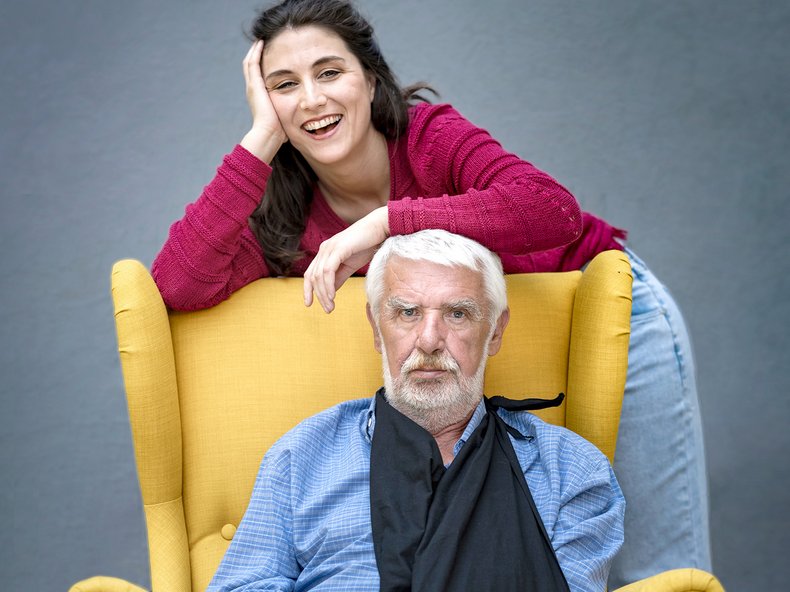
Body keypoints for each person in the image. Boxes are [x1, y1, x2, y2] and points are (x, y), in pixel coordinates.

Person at [151, 0, 711, 585]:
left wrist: (386, 223)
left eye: (329, 72)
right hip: (459, 350)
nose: (311, 99)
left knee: (657, 562)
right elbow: (177, 283)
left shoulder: (427, 138)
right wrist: (262, 138)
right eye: (284, 85)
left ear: (371, 79)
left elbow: (552, 210)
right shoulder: (286, 217)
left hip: (606, 302)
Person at [207, 229, 625, 592]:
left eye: (457, 314)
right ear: (376, 327)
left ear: (495, 331)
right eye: (407, 313)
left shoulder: (569, 470)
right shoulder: (302, 457)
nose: (428, 341)